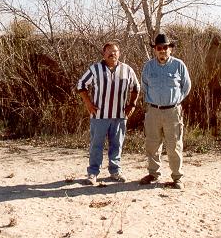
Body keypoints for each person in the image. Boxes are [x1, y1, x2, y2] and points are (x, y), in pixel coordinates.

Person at [77, 41, 140, 185]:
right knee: (96, 145)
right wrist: (88, 103)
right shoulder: (95, 69)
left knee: (117, 145)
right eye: (109, 52)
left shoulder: (127, 70)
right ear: (103, 54)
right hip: (99, 115)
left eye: (116, 51)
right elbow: (81, 85)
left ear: (120, 53)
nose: (113, 54)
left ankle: (115, 171)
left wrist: (132, 104)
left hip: (119, 115)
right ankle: (92, 173)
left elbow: (136, 87)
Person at [139, 33, 191, 189]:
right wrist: (154, 102)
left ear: (170, 49)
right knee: (152, 144)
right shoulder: (148, 66)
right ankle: (153, 174)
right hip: (153, 111)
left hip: (172, 112)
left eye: (165, 47)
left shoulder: (179, 65)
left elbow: (186, 87)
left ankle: (177, 178)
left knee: (174, 145)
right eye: (159, 48)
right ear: (155, 49)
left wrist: (175, 101)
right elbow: (144, 86)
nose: (162, 50)